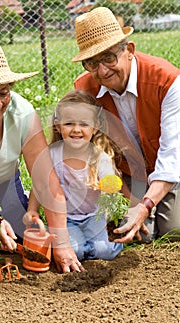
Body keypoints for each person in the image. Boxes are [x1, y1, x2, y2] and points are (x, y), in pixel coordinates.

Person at [0, 40, 83, 273]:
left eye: (4, 93)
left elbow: (45, 180)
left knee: (19, 238)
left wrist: (62, 242)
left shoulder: (22, 114)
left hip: (5, 186)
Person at [71, 7, 180, 244]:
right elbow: (97, 157)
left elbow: (171, 156)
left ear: (129, 50)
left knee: (176, 229)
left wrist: (146, 205)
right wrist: (130, 201)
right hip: (131, 175)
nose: (102, 71)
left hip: (178, 169)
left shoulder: (166, 80)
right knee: (138, 233)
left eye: (109, 58)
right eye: (92, 63)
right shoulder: (84, 92)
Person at [26, 90, 123, 261]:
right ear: (58, 126)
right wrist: (32, 210)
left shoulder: (99, 158)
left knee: (104, 252)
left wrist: (109, 200)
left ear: (95, 128)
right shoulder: (52, 154)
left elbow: (111, 190)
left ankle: (106, 244)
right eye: (69, 123)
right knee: (76, 251)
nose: (76, 130)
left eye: (84, 124)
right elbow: (39, 184)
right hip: (66, 219)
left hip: (94, 216)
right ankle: (83, 247)